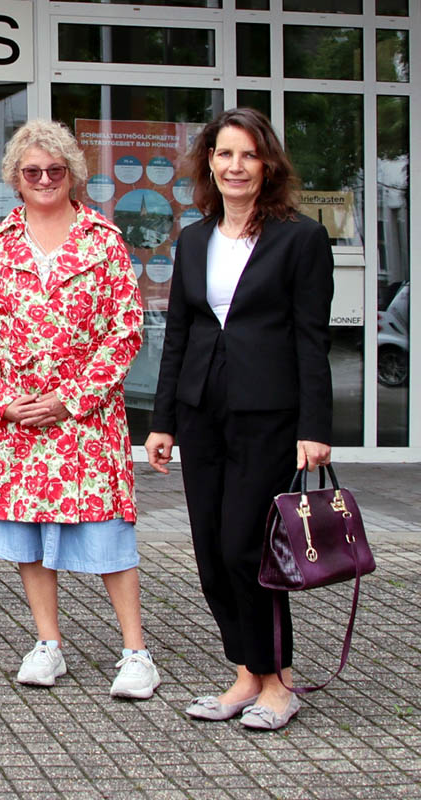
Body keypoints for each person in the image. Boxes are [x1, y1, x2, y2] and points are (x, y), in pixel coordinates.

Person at [145, 108, 334, 730]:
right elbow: (179, 334)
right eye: (224, 154)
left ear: (267, 164)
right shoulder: (194, 238)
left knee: (247, 547)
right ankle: (244, 672)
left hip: (269, 415)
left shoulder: (300, 238)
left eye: (248, 155)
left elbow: (311, 340)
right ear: (209, 164)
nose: (235, 166)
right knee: (209, 552)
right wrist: (162, 419)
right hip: (202, 413)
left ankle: (278, 681)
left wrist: (315, 426)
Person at [0, 119, 159, 699]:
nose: (45, 179)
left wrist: (70, 399)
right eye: (32, 172)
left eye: (55, 170)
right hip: (20, 419)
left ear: (72, 174)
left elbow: (126, 330)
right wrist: (5, 400)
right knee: (29, 534)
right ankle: (48, 643)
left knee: (108, 535)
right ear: (16, 179)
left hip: (86, 419)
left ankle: (136, 653)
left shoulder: (102, 239)